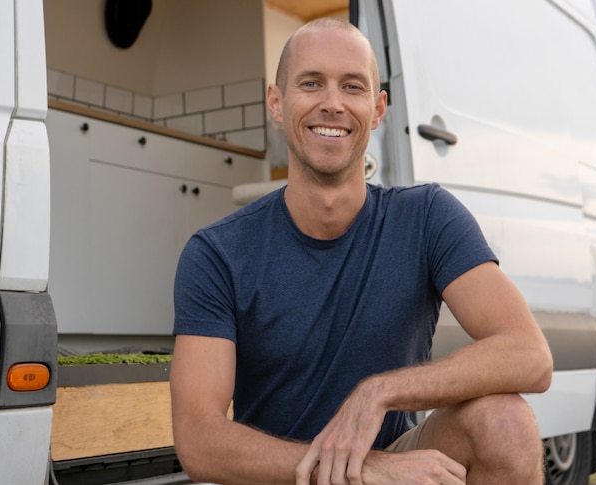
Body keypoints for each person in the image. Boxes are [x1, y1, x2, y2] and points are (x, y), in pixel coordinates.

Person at [170, 17, 553, 485]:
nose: (332, 104)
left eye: (352, 87)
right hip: (281, 474)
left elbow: (529, 355)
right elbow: (199, 441)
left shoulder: (427, 216)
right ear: (277, 101)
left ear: (377, 109)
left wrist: (380, 392)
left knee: (506, 424)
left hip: (393, 455)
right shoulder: (218, 253)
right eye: (311, 83)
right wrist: (364, 469)